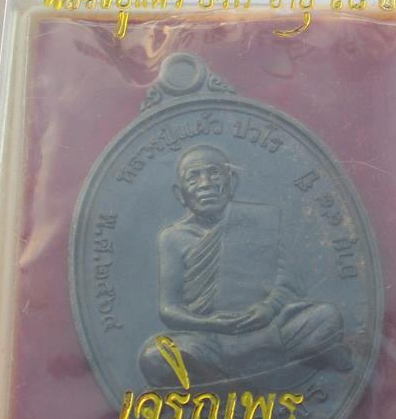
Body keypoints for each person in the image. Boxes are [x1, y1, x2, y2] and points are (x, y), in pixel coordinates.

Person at [139, 144, 351, 388]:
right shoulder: (172, 238)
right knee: (154, 356)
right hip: (209, 340)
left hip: (266, 330)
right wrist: (212, 323)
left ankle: (226, 379)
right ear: (180, 193)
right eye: (193, 177)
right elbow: (169, 308)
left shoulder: (261, 220)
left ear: (232, 181)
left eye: (214, 173)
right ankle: (274, 369)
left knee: (326, 317)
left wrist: (268, 309)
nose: (205, 183)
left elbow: (290, 283)